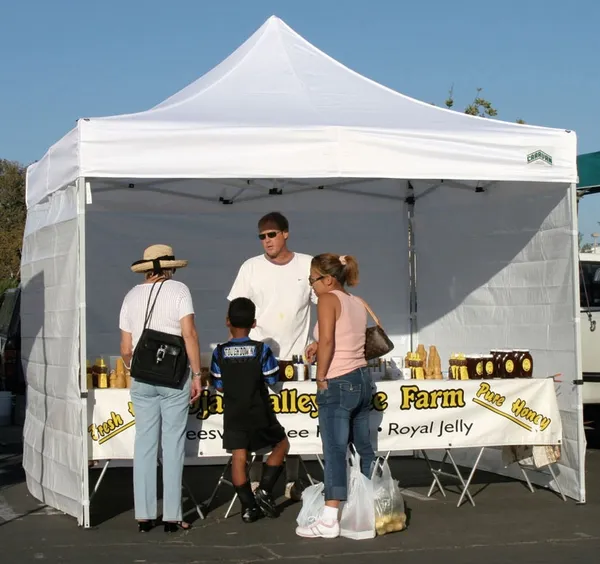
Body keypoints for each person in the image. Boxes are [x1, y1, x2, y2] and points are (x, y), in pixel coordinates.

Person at [228, 212, 315, 498]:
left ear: (286, 233)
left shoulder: (307, 263)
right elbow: (235, 313)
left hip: (295, 359)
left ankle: (292, 482)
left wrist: (316, 340)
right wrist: (233, 356)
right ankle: (254, 484)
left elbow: (327, 302)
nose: (267, 241)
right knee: (257, 424)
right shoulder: (250, 267)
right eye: (262, 236)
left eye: (272, 235)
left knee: (294, 422)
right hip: (255, 360)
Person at [119, 244, 202, 533]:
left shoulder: (130, 296)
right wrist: (197, 374)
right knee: (173, 444)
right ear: (171, 267)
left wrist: (136, 368)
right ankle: (172, 516)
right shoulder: (179, 290)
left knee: (144, 444)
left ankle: (143, 515)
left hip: (141, 379)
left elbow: (126, 349)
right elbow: (189, 333)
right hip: (174, 377)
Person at [295, 253, 375, 539]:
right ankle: (367, 508)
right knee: (364, 449)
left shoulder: (328, 300)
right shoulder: (357, 302)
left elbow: (330, 340)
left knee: (335, 450)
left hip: (339, 380)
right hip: (363, 379)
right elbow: (348, 335)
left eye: (312, 279)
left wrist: (320, 376)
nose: (311, 286)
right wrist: (319, 343)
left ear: (327, 279)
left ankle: (330, 518)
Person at [210, 297, 290, 523]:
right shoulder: (261, 350)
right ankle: (265, 490)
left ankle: (248, 507)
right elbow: (272, 378)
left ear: (227, 321)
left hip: (234, 411)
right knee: (282, 444)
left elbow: (219, 384)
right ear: (254, 323)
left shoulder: (219, 352)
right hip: (259, 410)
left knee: (239, 457)